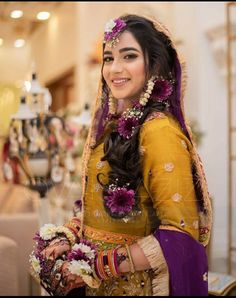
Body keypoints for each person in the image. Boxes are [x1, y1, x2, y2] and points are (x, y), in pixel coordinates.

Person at [30, 14, 213, 296]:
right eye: (108, 58)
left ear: (153, 64)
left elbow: (178, 234)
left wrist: (97, 265)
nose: (114, 69)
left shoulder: (159, 132)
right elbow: (102, 214)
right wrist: (68, 236)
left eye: (129, 56)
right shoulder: (113, 129)